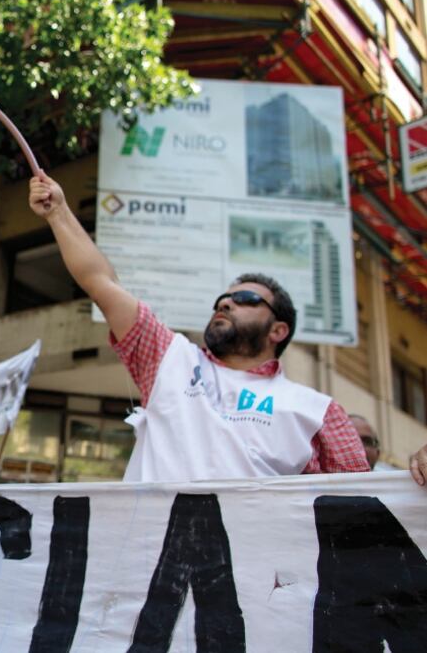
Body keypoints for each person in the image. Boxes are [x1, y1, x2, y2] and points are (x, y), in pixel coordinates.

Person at [28, 172, 370, 481]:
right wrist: (58, 213)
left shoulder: (318, 412)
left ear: (278, 330)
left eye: (246, 299)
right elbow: (101, 280)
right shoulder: (169, 359)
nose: (225, 303)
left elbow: (364, 506)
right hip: (157, 551)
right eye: (223, 299)